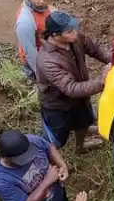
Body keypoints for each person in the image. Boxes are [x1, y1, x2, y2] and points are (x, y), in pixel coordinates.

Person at [36, 10, 110, 150]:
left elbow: (96, 50)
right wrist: (102, 80)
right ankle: (49, 162)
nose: (75, 32)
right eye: (69, 31)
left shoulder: (75, 37)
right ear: (55, 35)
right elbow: (71, 88)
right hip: (58, 105)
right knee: (56, 139)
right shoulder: (47, 60)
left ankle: (80, 146)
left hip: (80, 97)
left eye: (74, 28)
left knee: (84, 120)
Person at [14, 0, 53, 82]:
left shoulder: (40, 7)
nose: (41, 1)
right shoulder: (25, 22)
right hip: (37, 61)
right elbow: (31, 54)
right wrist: (43, 76)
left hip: (47, 52)